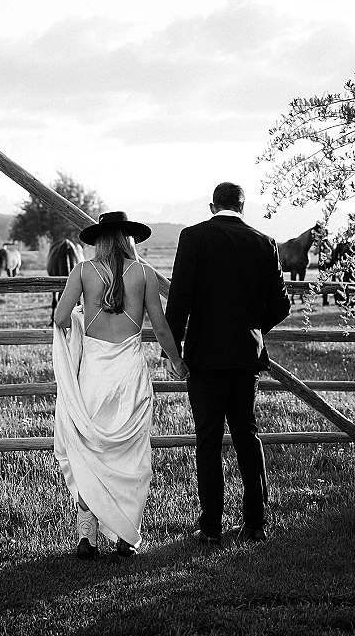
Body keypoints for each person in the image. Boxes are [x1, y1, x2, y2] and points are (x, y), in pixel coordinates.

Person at [52, 211, 188, 560]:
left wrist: (82, 320)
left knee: (89, 450)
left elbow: (60, 317)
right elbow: (159, 327)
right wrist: (177, 361)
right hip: (129, 373)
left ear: (99, 240)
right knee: (132, 455)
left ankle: (87, 536)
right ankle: (127, 537)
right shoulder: (143, 274)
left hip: (93, 376)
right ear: (129, 238)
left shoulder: (83, 272)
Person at [164, 182, 291, 547]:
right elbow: (280, 305)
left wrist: (173, 354)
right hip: (245, 357)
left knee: (208, 440)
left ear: (211, 206)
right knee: (247, 437)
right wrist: (252, 328)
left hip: (204, 358)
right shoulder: (264, 242)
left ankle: (210, 527)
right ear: (243, 207)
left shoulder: (193, 237)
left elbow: (180, 299)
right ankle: (256, 523)